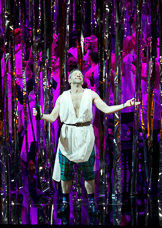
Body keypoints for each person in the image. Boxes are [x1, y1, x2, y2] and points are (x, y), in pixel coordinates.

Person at [32, 68, 140, 224]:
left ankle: (91, 202)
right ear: (69, 80)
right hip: (67, 137)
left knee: (89, 174)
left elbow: (106, 109)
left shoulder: (91, 94)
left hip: (85, 137)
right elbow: (53, 116)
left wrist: (125, 105)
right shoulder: (63, 97)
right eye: (75, 74)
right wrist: (41, 115)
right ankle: (64, 203)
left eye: (80, 74)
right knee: (65, 174)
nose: (78, 74)